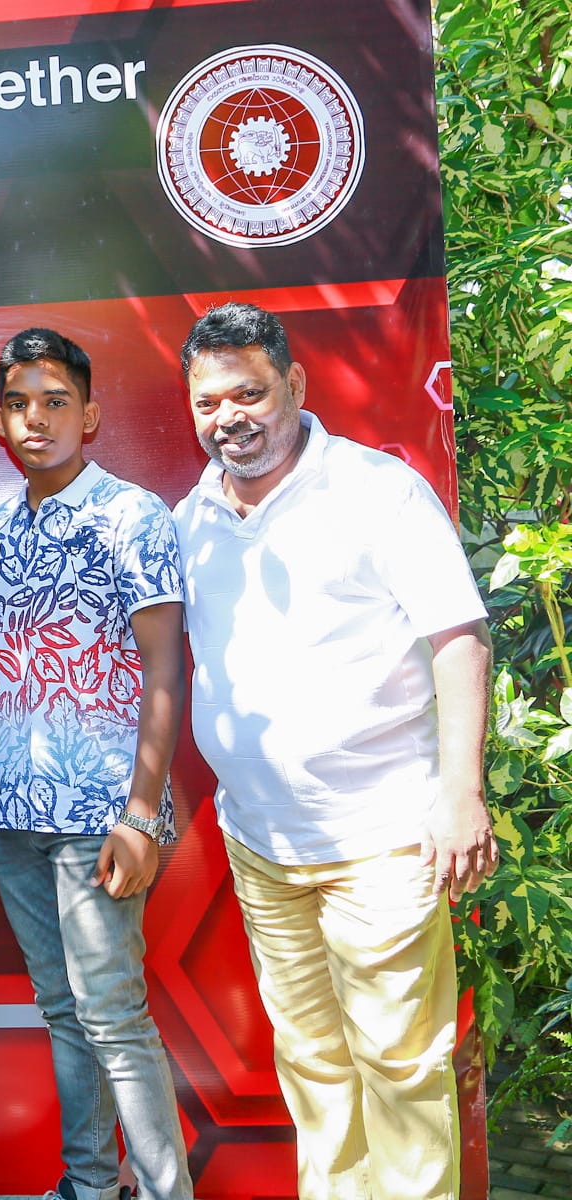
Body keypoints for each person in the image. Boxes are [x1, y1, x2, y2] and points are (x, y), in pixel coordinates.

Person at [172, 302, 497, 1200]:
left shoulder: (376, 490)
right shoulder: (188, 517)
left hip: (385, 836)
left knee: (400, 1068)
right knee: (312, 1061)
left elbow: (459, 638)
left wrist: (460, 796)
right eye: (208, 402)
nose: (229, 417)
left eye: (249, 392)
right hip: (262, 846)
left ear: (295, 385)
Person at [0, 329, 193, 1200]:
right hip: (10, 812)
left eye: (56, 400)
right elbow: (8, 657)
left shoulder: (135, 516)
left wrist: (141, 815)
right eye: (21, 403)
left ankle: (165, 1192)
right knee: (64, 1012)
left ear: (90, 414)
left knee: (111, 1016)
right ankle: (89, 1185)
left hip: (101, 813)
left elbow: (165, 669)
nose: (37, 418)